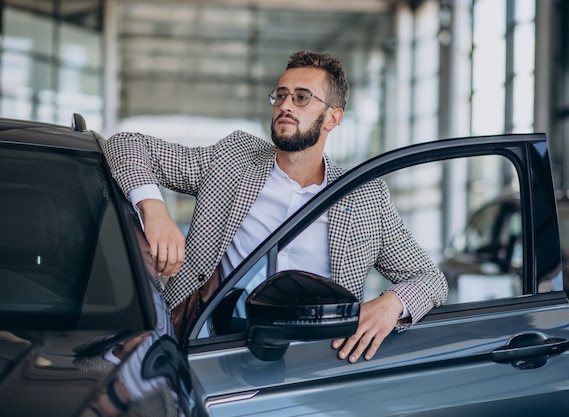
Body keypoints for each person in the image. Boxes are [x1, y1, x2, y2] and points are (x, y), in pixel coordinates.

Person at [103, 50, 448, 363]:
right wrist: (154, 210)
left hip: (315, 361)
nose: (285, 105)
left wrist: (390, 305)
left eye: (302, 98)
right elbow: (125, 144)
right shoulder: (234, 158)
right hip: (210, 347)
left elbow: (430, 278)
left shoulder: (365, 196)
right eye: (281, 95)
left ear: (332, 118)